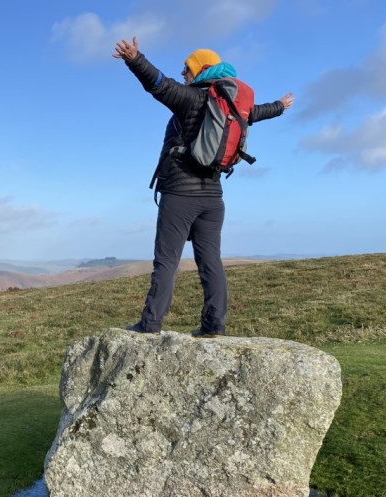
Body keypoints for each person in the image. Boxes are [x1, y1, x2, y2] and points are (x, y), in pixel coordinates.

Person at [113, 37, 293, 336]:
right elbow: (256, 113)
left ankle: (150, 325)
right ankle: (214, 327)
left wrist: (135, 59)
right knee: (210, 263)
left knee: (167, 261)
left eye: (187, 68)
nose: (183, 73)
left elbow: (159, 84)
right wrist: (280, 107)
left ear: (202, 69)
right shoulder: (231, 108)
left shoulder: (192, 99)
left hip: (180, 195)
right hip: (213, 198)